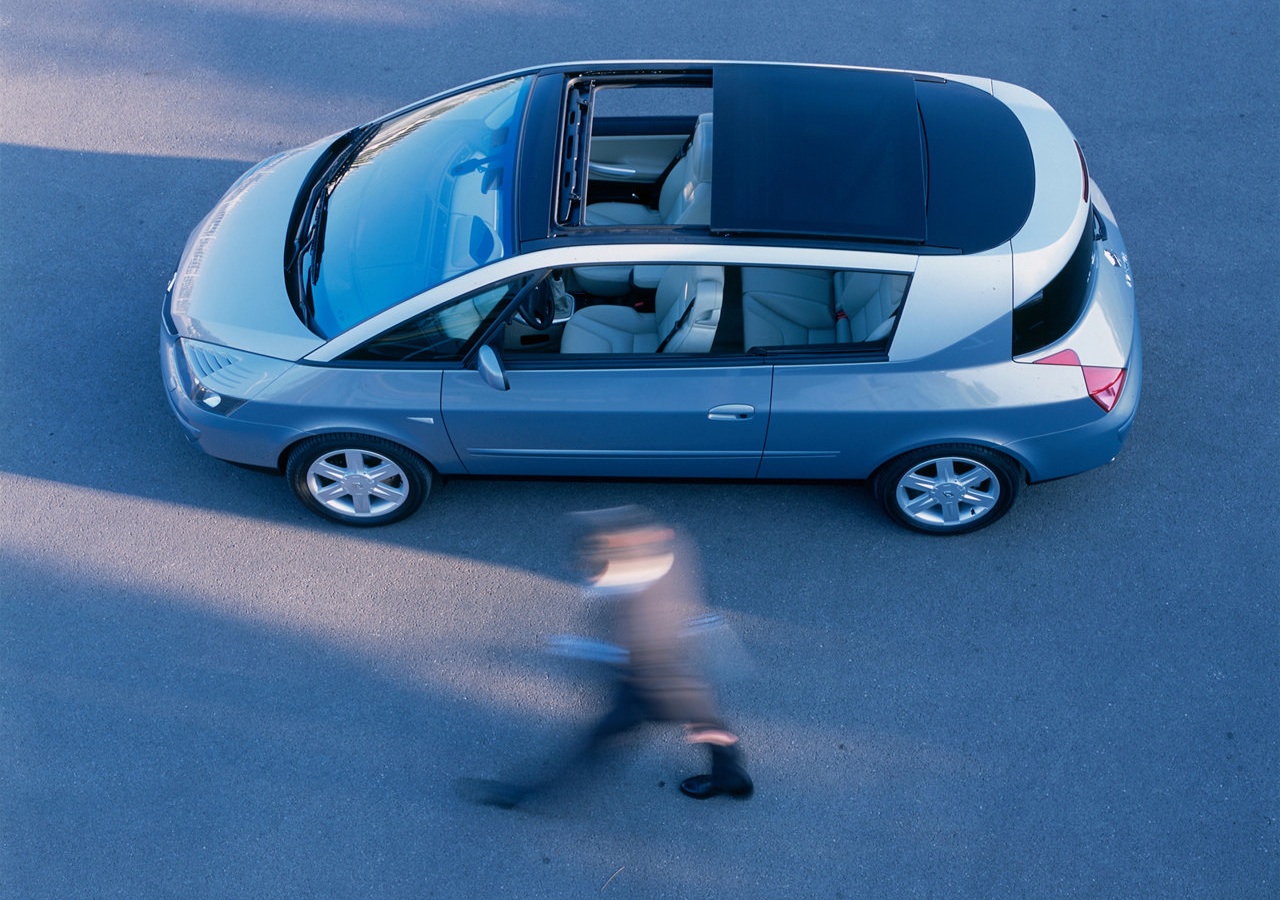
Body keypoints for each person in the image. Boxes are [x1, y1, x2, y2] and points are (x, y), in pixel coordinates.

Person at [466, 506, 752, 808]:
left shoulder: (633, 603)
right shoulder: (668, 551)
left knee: (597, 743)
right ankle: (731, 777)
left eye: (589, 562)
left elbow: (634, 653)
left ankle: (527, 794)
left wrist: (580, 647)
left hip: (651, 689)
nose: (581, 567)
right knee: (707, 723)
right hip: (683, 677)